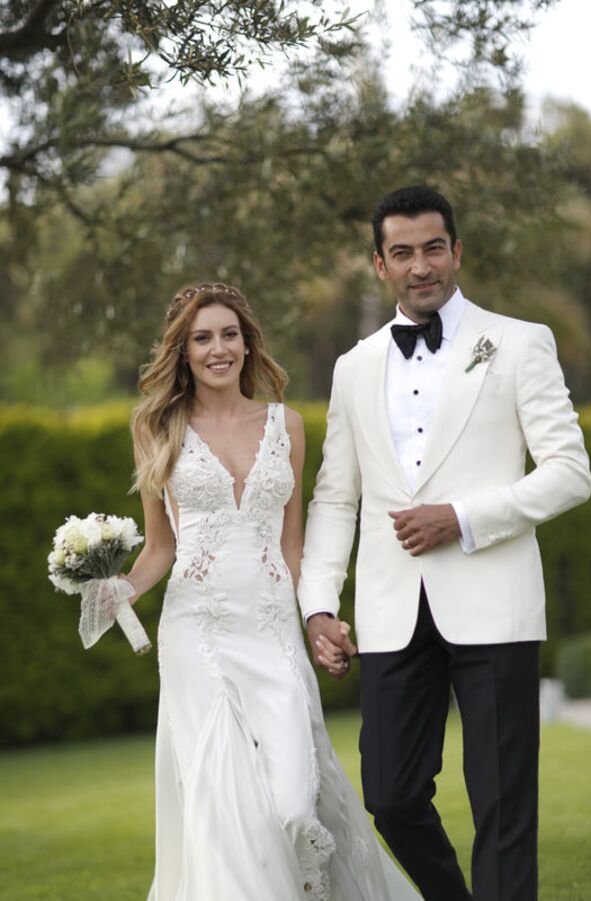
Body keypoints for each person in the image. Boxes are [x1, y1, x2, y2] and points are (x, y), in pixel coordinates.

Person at [297, 186, 591, 901]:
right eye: (402, 253)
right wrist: (318, 605)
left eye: (433, 248)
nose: (420, 265)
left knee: (503, 804)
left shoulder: (520, 342)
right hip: (392, 611)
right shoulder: (353, 366)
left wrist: (461, 517)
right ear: (380, 265)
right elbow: (335, 497)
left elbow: (569, 472)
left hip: (495, 601)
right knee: (390, 793)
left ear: (456, 251)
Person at [122, 282, 420, 900]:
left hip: (271, 627)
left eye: (229, 334)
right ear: (183, 351)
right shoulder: (155, 427)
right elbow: (160, 548)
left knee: (293, 801)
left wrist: (319, 619)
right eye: (202, 338)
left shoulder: (287, 425)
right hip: (196, 634)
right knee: (224, 799)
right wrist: (115, 590)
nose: (218, 349)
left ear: (247, 342)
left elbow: (293, 547)